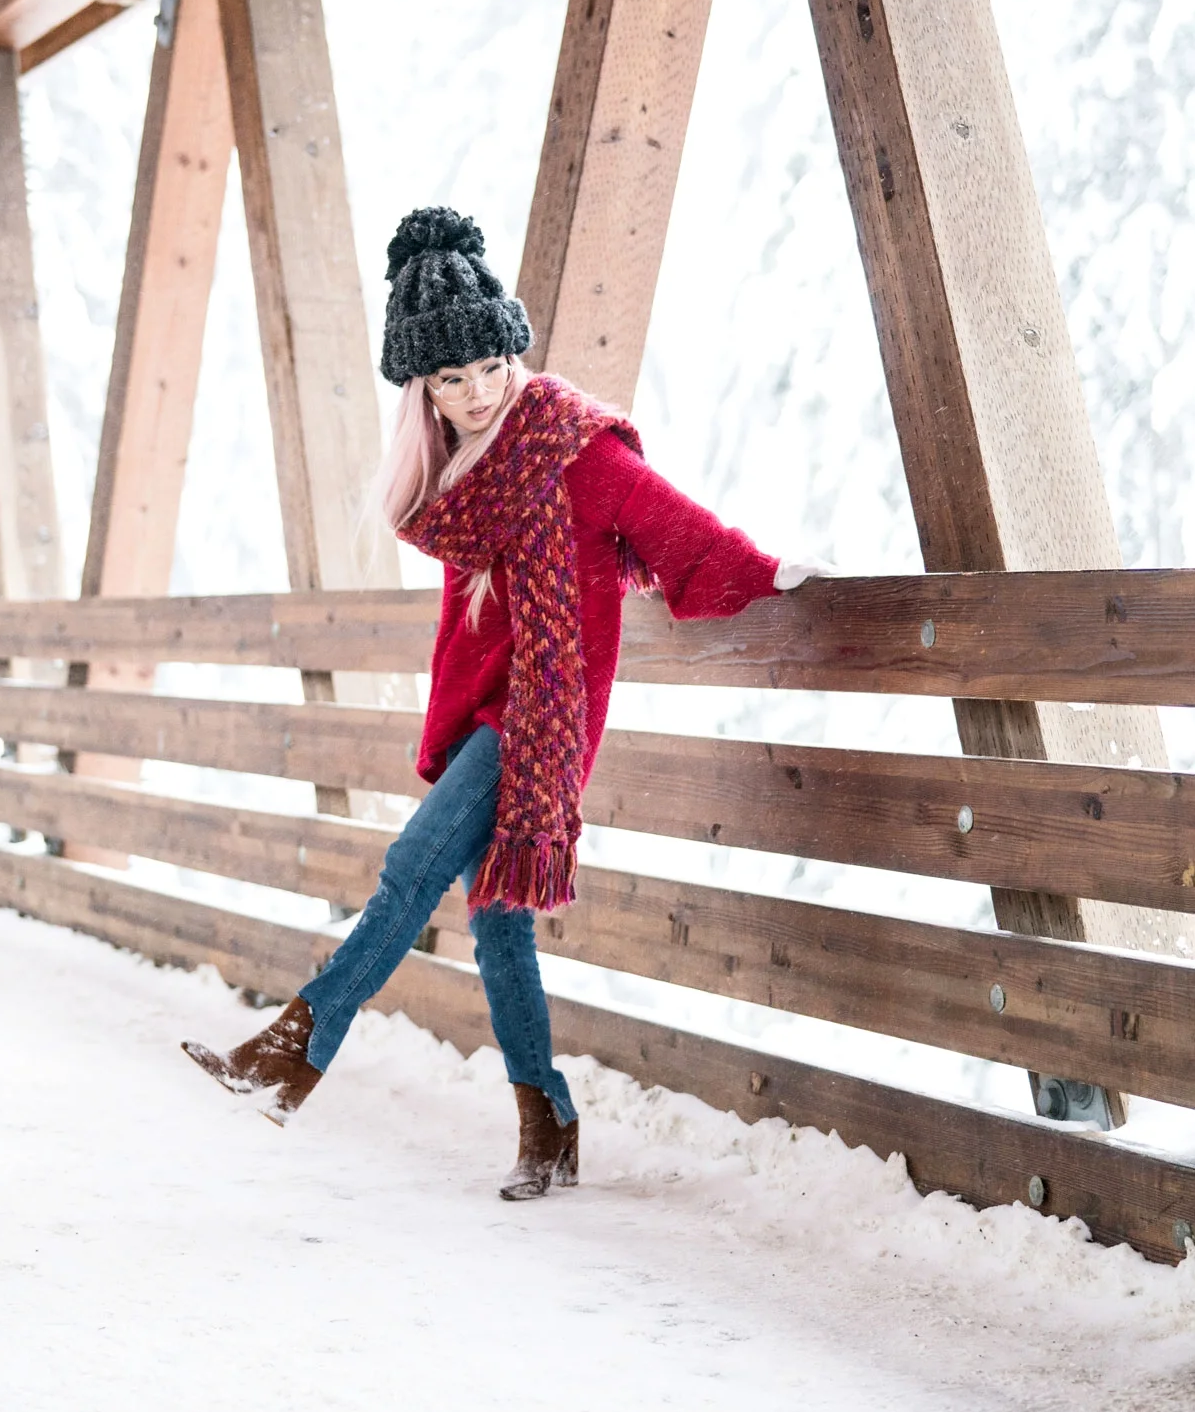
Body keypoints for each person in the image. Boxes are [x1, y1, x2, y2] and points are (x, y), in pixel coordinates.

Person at [184, 206, 819, 1199]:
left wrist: (767, 571)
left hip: (544, 717)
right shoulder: (461, 480)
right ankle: (548, 1124)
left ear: (511, 352)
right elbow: (469, 630)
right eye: (451, 379)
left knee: (408, 871)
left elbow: (671, 525)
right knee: (496, 923)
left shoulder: (571, 445)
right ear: (422, 391)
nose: (479, 393)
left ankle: (289, 1055)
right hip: (494, 713)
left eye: (490, 367)